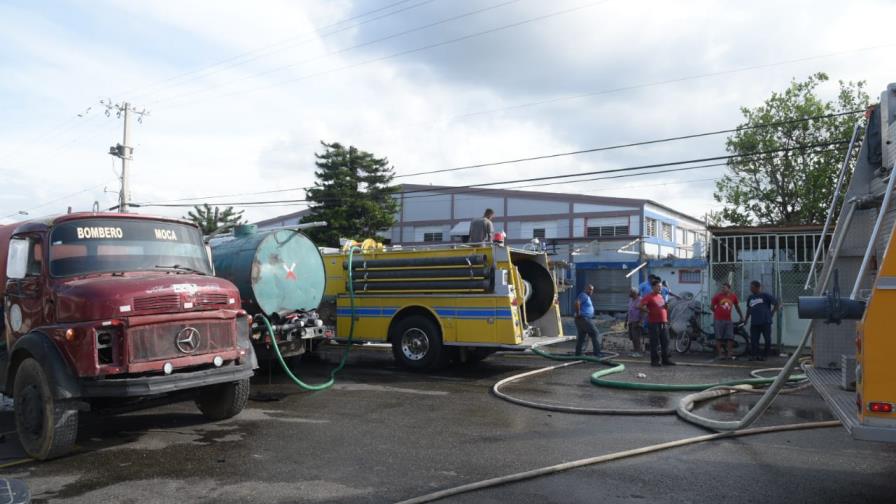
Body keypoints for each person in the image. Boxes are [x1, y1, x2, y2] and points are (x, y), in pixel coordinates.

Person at [639, 279, 674, 367]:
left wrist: (666, 307)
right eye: (658, 286)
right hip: (654, 323)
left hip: (664, 322)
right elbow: (640, 306)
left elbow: (663, 307)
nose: (660, 288)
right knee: (655, 342)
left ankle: (666, 359)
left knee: (665, 341)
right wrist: (647, 310)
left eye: (661, 286)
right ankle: (655, 361)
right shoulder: (649, 296)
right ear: (653, 287)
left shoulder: (661, 296)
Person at [744, 280, 779, 361]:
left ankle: (765, 355)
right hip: (754, 322)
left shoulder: (765, 295)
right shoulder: (750, 297)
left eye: (752, 287)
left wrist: (772, 313)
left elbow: (776, 303)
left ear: (757, 288)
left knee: (767, 339)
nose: (750, 289)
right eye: (750, 287)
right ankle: (754, 355)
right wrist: (746, 319)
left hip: (765, 322)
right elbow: (749, 309)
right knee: (754, 340)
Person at [711, 282, 744, 360]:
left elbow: (737, 307)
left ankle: (729, 354)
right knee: (718, 337)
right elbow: (712, 307)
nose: (723, 289)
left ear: (729, 289)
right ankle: (720, 354)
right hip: (718, 320)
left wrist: (741, 317)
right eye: (722, 288)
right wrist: (717, 312)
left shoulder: (733, 296)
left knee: (730, 337)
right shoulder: (717, 296)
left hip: (728, 320)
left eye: (724, 288)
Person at [574, 284, 601, 356]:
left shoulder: (587, 297)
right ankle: (597, 353)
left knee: (581, 336)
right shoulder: (583, 295)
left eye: (592, 290)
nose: (591, 291)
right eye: (590, 289)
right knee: (595, 333)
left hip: (582, 319)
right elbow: (577, 303)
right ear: (586, 289)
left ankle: (578, 353)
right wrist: (578, 313)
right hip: (584, 319)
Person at [625, 288, 644, 357]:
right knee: (632, 337)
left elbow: (642, 311)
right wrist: (626, 321)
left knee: (636, 337)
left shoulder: (640, 300)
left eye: (630, 292)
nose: (629, 293)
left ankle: (638, 352)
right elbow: (629, 311)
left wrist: (641, 321)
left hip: (636, 321)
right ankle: (635, 351)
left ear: (634, 293)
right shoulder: (631, 300)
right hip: (631, 321)